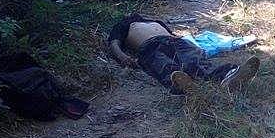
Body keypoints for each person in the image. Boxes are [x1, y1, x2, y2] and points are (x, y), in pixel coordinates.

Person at [107, 14, 260, 93]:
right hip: (149, 46)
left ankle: (229, 76)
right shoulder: (123, 25)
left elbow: (172, 33)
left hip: (174, 41)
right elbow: (114, 43)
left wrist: (190, 42)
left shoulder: (156, 21)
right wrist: (124, 57)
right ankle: (182, 84)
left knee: (193, 60)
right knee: (164, 65)